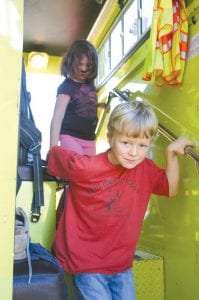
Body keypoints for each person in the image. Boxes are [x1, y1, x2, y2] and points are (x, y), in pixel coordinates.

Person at [47, 100, 194, 300]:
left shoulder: (146, 170)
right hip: (86, 263)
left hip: (121, 264)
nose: (134, 153)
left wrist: (171, 154)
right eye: (126, 143)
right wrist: (54, 140)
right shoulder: (84, 167)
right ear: (109, 138)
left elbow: (170, 188)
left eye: (142, 146)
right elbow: (53, 155)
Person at [50, 39, 103, 156]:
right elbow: (57, 116)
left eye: (88, 65)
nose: (83, 69)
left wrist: (98, 106)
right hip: (70, 136)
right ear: (70, 63)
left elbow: (83, 104)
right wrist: (53, 147)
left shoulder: (90, 85)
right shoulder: (67, 86)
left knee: (87, 172)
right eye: (80, 65)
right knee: (76, 167)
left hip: (89, 139)